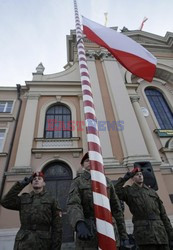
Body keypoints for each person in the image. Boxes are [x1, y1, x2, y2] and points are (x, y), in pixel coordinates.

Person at [67, 152, 131, 250]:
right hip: (88, 231)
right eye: (87, 161)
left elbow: (116, 208)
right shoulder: (78, 182)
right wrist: (79, 223)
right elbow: (73, 204)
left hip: (109, 230)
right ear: (82, 165)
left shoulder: (106, 181)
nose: (90, 162)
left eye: (93, 160)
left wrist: (123, 235)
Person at [114, 166, 173, 250]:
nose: (140, 176)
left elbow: (163, 214)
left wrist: (171, 234)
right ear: (132, 178)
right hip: (144, 234)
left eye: (141, 174)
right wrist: (125, 178)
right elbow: (115, 190)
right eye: (137, 174)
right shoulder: (129, 191)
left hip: (160, 233)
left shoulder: (152, 192)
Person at [0, 171, 62, 250]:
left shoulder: (51, 200)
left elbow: (57, 227)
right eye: (34, 179)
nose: (36, 180)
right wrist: (21, 184)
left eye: (39, 179)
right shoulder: (24, 198)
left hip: (43, 243)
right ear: (31, 183)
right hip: (23, 242)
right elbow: (5, 201)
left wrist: (56, 247)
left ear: (44, 183)